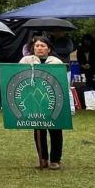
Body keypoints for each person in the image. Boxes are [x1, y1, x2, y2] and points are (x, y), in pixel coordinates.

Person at [22, 36, 65, 170]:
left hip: (52, 100)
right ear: (33, 48)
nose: (40, 48)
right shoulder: (26, 61)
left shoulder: (56, 62)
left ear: (49, 48)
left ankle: (55, 160)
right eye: (37, 46)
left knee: (55, 129)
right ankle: (43, 158)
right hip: (34, 100)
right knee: (39, 130)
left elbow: (61, 82)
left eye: (43, 46)